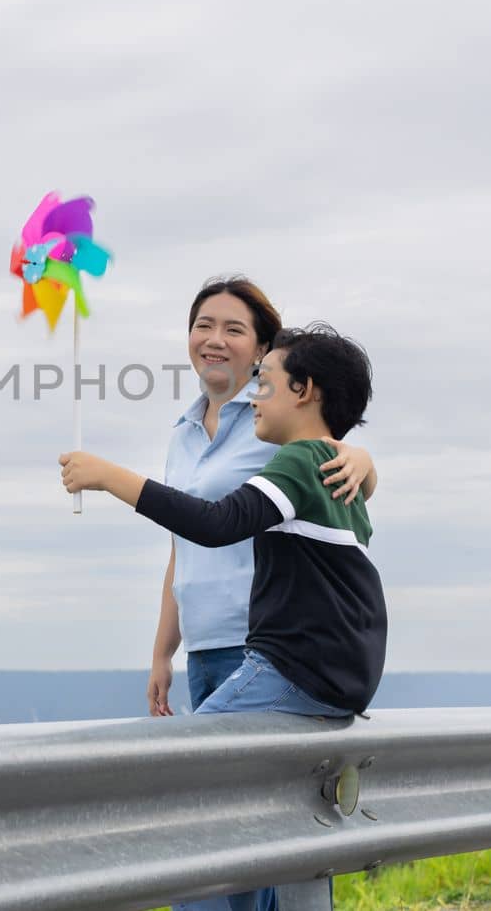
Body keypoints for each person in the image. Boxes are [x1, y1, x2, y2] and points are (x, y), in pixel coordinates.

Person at [60, 322, 384, 911]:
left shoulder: (301, 461)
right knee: (295, 819)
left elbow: (216, 524)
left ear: (304, 390)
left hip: (293, 671)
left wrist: (110, 477)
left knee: (184, 774)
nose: (253, 396)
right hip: (343, 681)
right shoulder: (339, 472)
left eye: (264, 382)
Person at [152, 278, 376, 719]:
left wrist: (363, 459)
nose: (214, 340)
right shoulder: (182, 435)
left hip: (261, 641)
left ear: (259, 349)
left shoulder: (272, 422)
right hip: (202, 644)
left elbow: (332, 463)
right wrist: (163, 652)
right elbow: (182, 545)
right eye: (203, 325)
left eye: (234, 330)